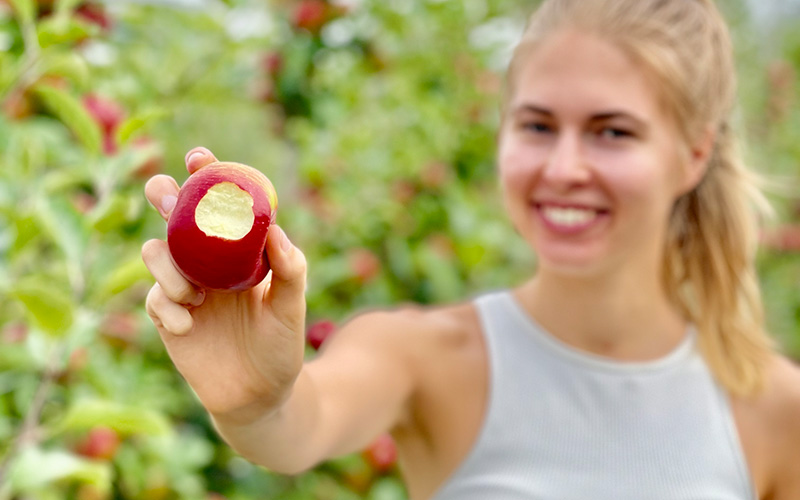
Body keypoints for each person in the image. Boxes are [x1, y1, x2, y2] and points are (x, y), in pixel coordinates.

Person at [141, 0, 800, 498]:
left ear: (693, 155)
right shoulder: (420, 356)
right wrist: (253, 404)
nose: (564, 166)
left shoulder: (775, 410)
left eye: (613, 132)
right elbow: (298, 424)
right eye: (538, 124)